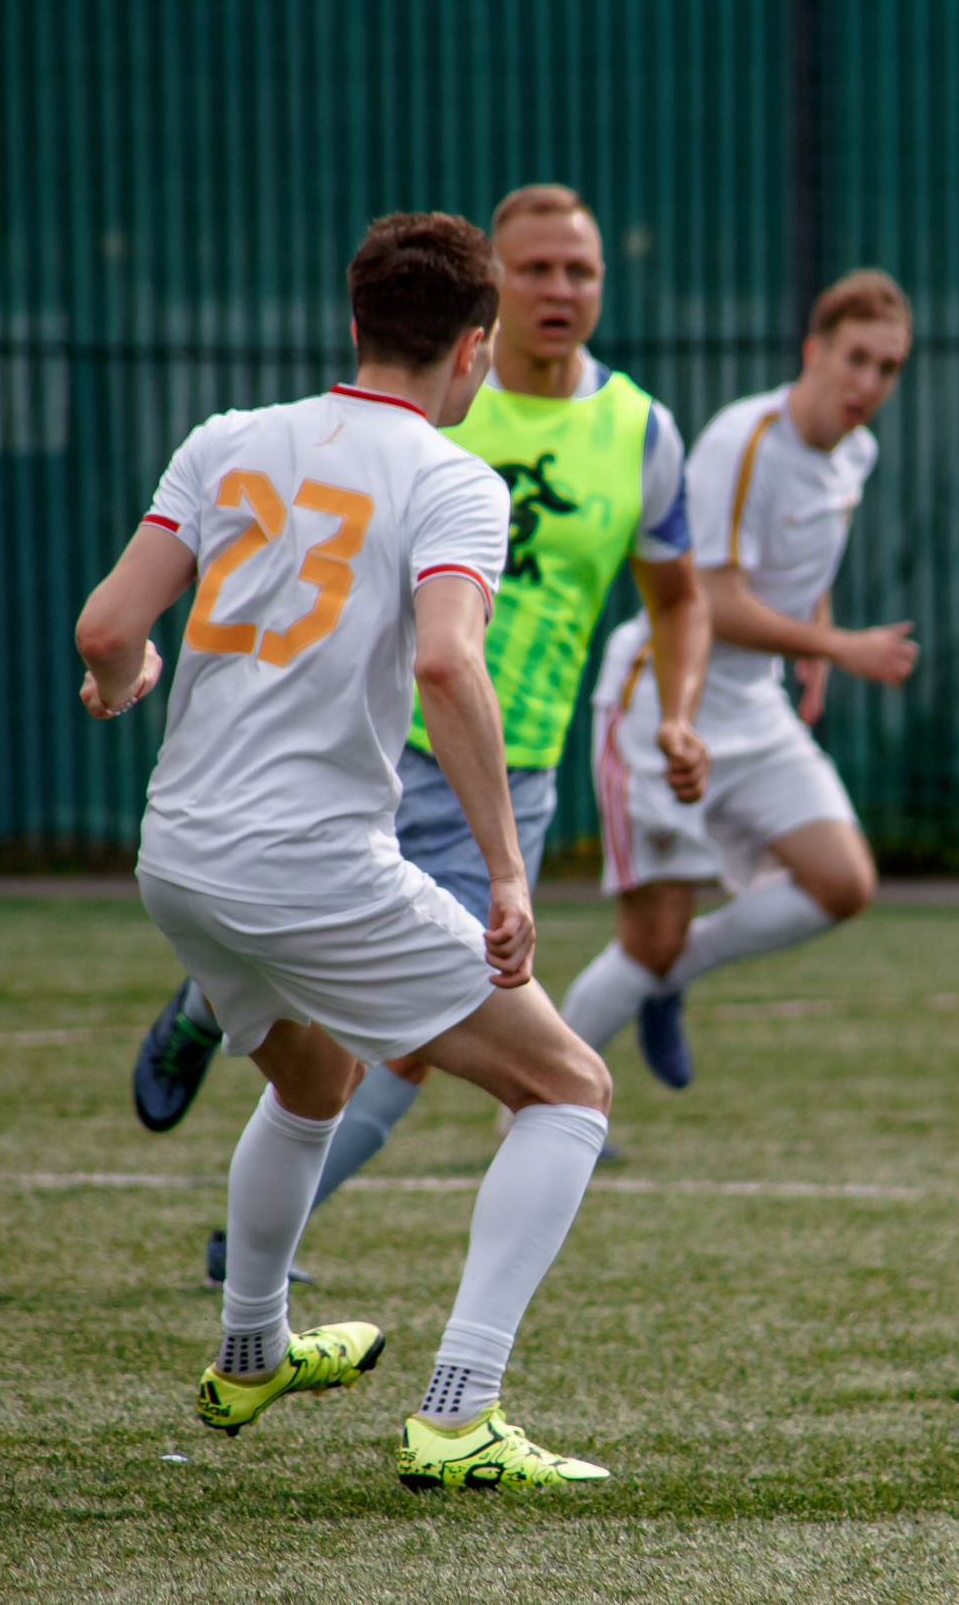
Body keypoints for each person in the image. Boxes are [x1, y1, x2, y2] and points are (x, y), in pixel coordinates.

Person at [74, 211, 611, 1489]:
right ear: (473, 350)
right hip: (310, 865)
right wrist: (509, 871)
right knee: (569, 1089)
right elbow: (444, 660)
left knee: (312, 1084)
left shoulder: (226, 439)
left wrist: (125, 678)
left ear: (355, 325)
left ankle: (252, 1351)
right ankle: (459, 1411)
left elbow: (107, 626)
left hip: (181, 857)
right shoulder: (451, 479)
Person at [129, 184, 711, 1282]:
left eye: (580, 272)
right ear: (481, 321)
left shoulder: (638, 429)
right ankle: (213, 1022)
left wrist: (678, 713)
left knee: (403, 1049)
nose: (560, 290)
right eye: (536, 268)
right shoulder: (437, 400)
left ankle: (243, 1248)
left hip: (510, 762)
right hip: (364, 749)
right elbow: (427, 642)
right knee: (498, 1055)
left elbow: (678, 594)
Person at [555, 271, 918, 1067]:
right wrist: (839, 647)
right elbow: (710, 600)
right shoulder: (743, 440)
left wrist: (812, 641)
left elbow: (804, 561)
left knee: (843, 882)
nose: (869, 383)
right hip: (661, 705)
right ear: (813, 351)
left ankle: (672, 974)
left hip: (752, 703)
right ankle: (535, 1107)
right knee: (647, 937)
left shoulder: (857, 451)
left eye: (888, 368)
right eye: (856, 359)